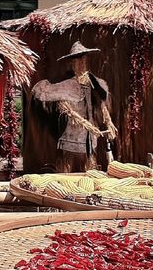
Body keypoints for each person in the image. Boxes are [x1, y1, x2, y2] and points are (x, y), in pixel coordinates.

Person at [31, 41, 117, 172]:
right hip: (72, 133)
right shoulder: (65, 86)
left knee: (90, 167)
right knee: (66, 166)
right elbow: (67, 110)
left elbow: (101, 104)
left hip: (90, 136)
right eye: (76, 60)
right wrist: (88, 126)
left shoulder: (95, 83)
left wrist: (109, 123)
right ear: (71, 63)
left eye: (83, 59)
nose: (80, 63)